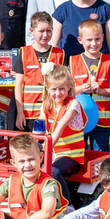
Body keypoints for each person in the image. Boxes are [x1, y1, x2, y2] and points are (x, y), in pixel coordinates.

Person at [70, 19, 110, 151]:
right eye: (89, 40)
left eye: (97, 39)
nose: (94, 43)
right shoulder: (73, 61)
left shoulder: (109, 62)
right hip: (79, 119)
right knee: (78, 156)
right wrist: (81, 88)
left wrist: (101, 91)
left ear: (103, 38)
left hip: (102, 121)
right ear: (80, 40)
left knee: (100, 157)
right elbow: (67, 92)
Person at [39, 66, 86, 209]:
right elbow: (39, 129)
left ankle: (69, 207)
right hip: (53, 152)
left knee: (53, 171)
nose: (58, 93)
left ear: (69, 87)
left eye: (62, 89)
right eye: (54, 89)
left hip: (71, 155)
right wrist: (34, 148)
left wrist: (44, 152)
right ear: (47, 88)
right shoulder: (46, 104)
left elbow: (59, 129)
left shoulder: (73, 104)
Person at [13, 12, 66, 131]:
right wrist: (20, 112)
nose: (45, 35)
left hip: (52, 112)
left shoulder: (60, 54)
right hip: (29, 114)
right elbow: (18, 85)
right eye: (41, 31)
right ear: (32, 30)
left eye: (49, 31)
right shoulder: (24, 53)